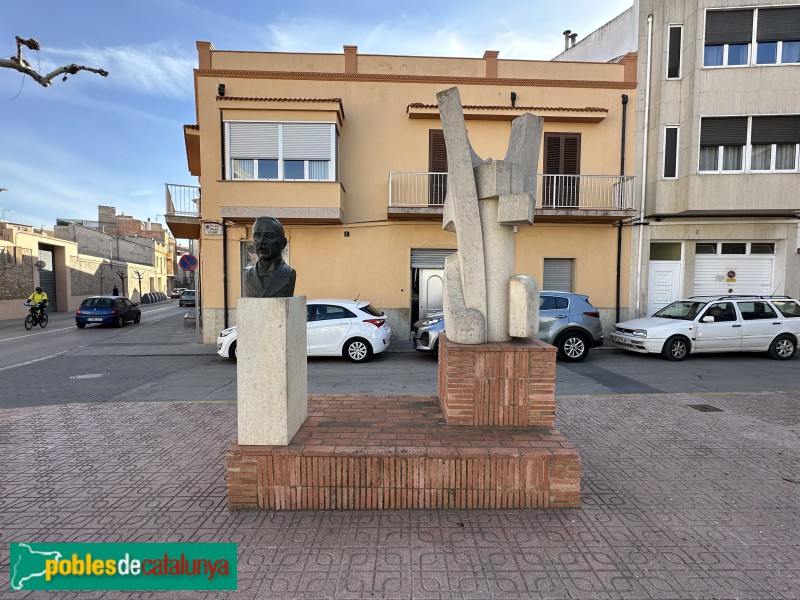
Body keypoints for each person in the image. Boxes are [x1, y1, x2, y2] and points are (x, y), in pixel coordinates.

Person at [244, 216, 297, 298]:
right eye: (257, 236)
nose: (261, 241)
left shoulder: (288, 273)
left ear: (283, 243)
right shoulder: (249, 275)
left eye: (269, 236)